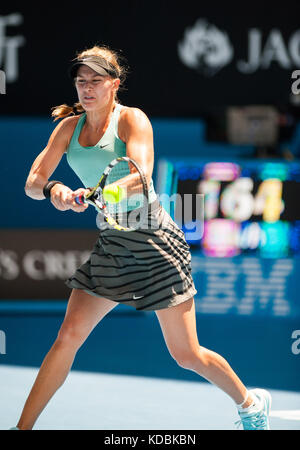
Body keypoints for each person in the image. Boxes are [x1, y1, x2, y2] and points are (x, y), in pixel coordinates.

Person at [14, 45, 271, 430]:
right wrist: (56, 192)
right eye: (81, 82)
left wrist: (100, 193)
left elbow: (142, 175)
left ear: (114, 85)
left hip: (156, 245)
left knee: (186, 354)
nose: (87, 89)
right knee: (67, 336)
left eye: (96, 81)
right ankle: (22, 428)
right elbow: (33, 182)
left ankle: (250, 405)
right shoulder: (68, 128)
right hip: (113, 247)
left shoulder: (132, 120)